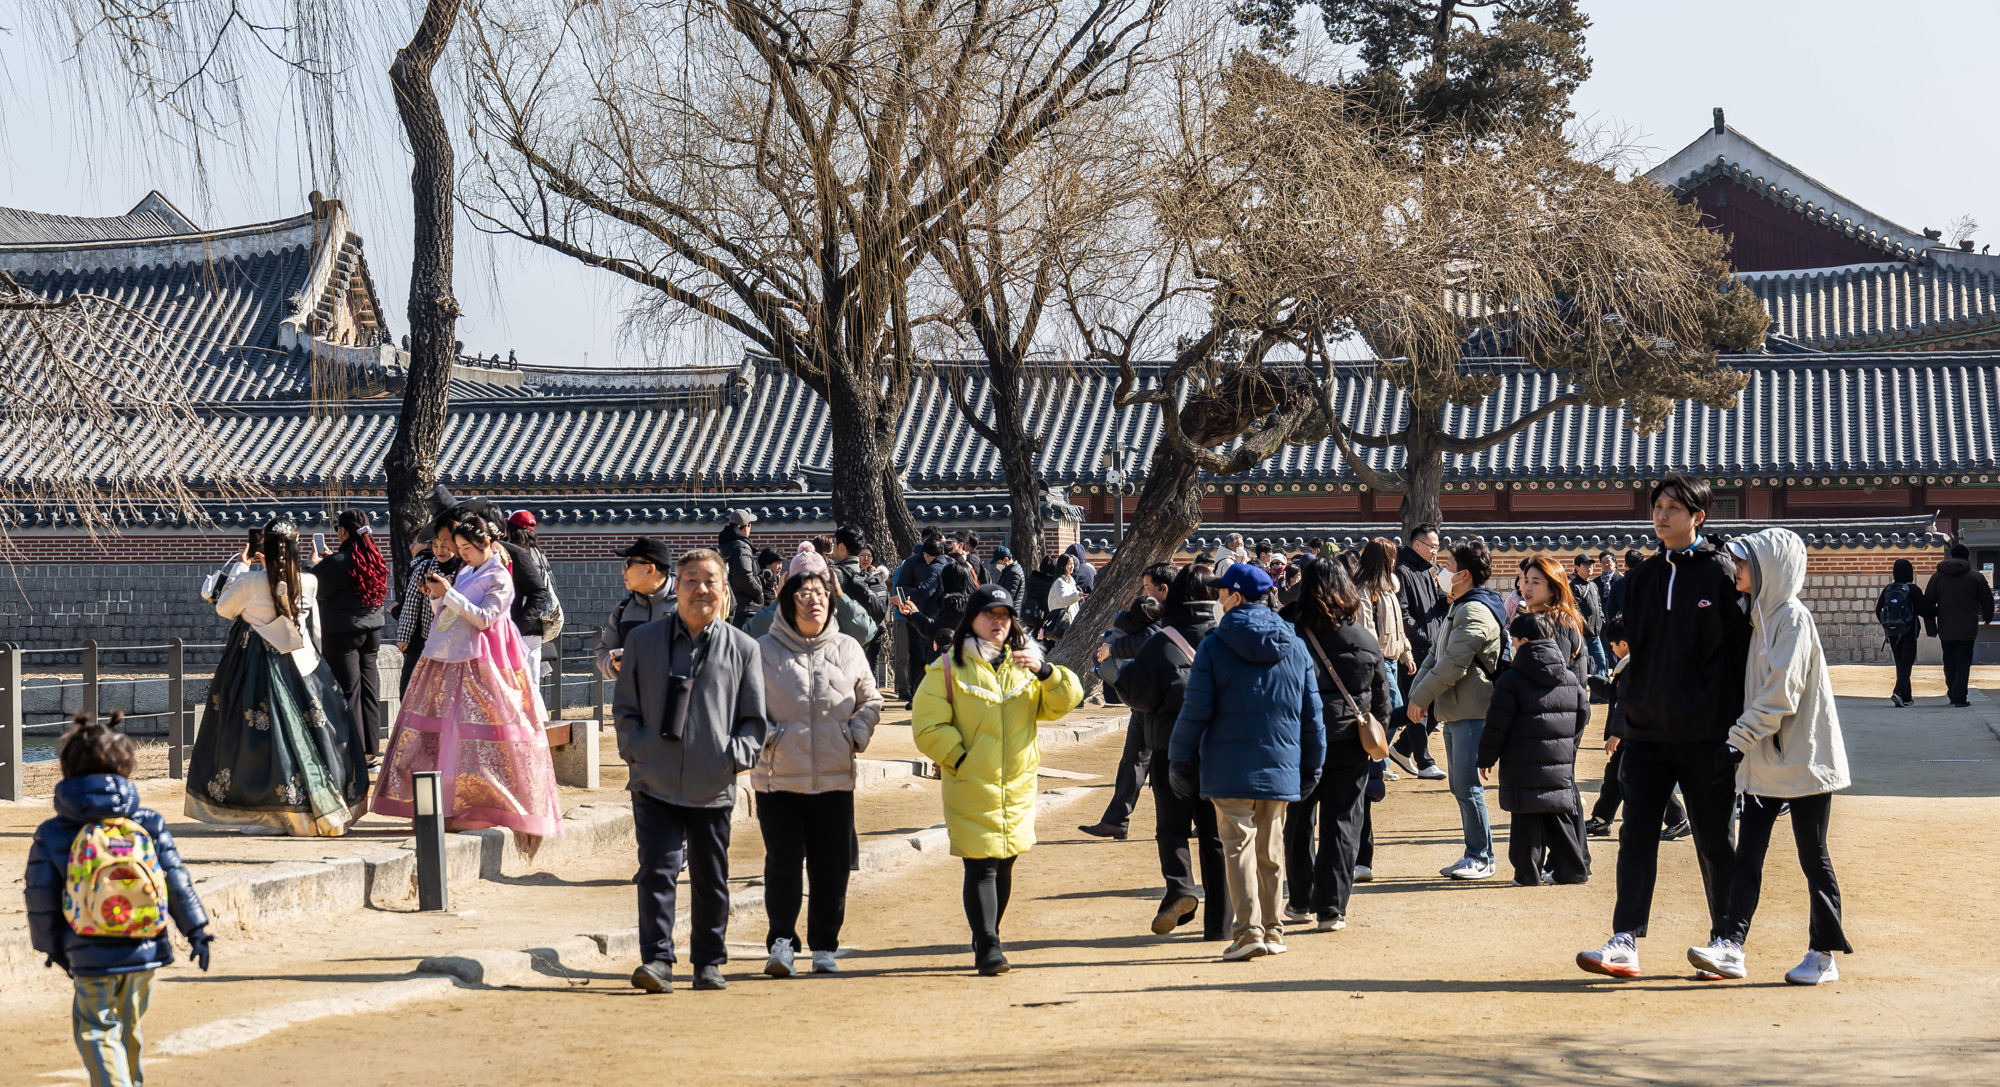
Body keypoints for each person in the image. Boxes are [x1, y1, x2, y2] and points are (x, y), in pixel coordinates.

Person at [1578, 473, 1750, 980]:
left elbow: (1737, 659)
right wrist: (1627, 718)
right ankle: (1625, 940)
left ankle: (1725, 942)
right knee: (1635, 836)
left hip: (1707, 735)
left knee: (1715, 840)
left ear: (1698, 517)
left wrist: (1734, 732)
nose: (1661, 514)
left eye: (1674, 507)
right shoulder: (1642, 579)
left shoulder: (1723, 575)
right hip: (1648, 733)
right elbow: (1632, 656)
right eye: (1657, 506)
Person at [1685, 528, 1854, 985]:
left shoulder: (1792, 618)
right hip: (1762, 760)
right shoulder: (1757, 615)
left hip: (1803, 760)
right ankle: (1730, 946)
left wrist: (1734, 741)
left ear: (1767, 570)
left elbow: (1782, 694)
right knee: (1749, 857)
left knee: (1811, 856)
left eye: (1742, 563)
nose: (1735, 569)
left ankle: (1823, 953)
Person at [25, 713, 213, 1087]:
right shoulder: (148, 822)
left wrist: (52, 948)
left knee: (96, 1028)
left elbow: (40, 897)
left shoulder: (53, 832)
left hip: (87, 949)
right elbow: (175, 880)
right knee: (129, 1027)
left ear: (66, 769)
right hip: (145, 945)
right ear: (127, 766)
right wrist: (197, 930)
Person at [614, 548, 768, 993]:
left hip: (713, 781)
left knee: (710, 877)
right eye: (691, 581)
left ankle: (708, 961)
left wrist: (731, 756)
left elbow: (754, 720)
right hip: (653, 780)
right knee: (657, 871)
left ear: (723, 590)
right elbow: (624, 709)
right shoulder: (643, 641)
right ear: (675, 587)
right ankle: (658, 960)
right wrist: (638, 752)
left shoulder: (744, 649)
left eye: (710, 581)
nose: (701, 589)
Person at [910, 585, 1084, 976]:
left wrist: (1047, 670)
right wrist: (960, 758)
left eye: (1005, 615)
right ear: (972, 618)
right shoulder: (948, 668)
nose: (998, 622)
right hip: (971, 782)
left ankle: (989, 932)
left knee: (1005, 862)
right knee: (981, 865)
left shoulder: (1026, 665)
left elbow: (1064, 702)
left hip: (1018, 784)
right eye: (990, 614)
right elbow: (927, 725)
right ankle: (988, 944)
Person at [372, 515, 564, 848]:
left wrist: (449, 594)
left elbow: (486, 618)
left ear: (487, 544)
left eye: (467, 549)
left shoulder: (500, 576)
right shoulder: (466, 570)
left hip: (483, 662)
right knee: (445, 733)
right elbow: (447, 616)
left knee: (483, 735)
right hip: (448, 657)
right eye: (458, 548)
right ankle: (446, 806)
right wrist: (436, 596)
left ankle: (487, 806)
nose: (462, 555)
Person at [1169, 562, 1326, 962]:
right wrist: (1314, 763)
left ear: (1236, 597)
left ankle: (1247, 930)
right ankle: (1273, 929)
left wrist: (1179, 758)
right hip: (1281, 760)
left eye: (1223, 592)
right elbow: (1313, 712)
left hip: (1228, 763)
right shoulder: (1296, 645)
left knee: (1237, 846)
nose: (1218, 598)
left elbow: (1195, 709)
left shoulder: (1214, 645)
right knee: (1272, 849)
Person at [189, 519, 370, 835]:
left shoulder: (249, 583)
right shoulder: (309, 581)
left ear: (263, 550)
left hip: (255, 664)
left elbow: (224, 609)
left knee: (260, 737)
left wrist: (241, 570)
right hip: (302, 663)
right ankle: (313, 805)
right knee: (313, 732)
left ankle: (272, 813)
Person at [753, 549, 883, 979]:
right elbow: (744, 707)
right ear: (788, 600)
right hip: (778, 781)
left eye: (822, 593)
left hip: (834, 778)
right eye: (805, 593)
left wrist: (855, 735)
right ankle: (782, 943)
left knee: (831, 867)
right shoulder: (763, 650)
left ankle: (825, 944)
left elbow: (871, 700)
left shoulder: (847, 649)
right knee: (783, 863)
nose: (815, 600)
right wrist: (769, 738)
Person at [1117, 564, 1230, 938]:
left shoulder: (1160, 642)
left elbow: (1134, 694)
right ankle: (1220, 925)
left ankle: (1180, 887)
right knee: (1216, 838)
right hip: (1221, 750)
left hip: (1170, 747)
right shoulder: (1226, 637)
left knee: (1171, 828)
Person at [1282, 557, 1389, 933]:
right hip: (1350, 742)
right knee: (1343, 823)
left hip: (1299, 741)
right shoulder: (1363, 638)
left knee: (1297, 823)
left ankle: (1299, 901)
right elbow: (1381, 699)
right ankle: (1331, 909)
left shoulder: (1290, 635)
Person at [1405, 536, 1506, 880]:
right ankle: (1475, 852)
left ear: (1463, 574)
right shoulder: (1460, 606)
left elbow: (1452, 664)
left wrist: (1422, 697)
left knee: (1466, 785)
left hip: (1473, 710)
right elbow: (1436, 655)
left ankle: (1480, 856)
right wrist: (1417, 693)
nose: (1443, 570)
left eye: (1448, 565)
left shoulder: (1475, 609)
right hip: (1458, 708)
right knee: (1460, 785)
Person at [1479, 612, 1592, 887]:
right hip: (1559, 759)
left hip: (1521, 761)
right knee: (1558, 814)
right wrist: (1566, 741)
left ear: (1525, 641)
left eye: (1514, 641)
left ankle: (1528, 874)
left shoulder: (1511, 680)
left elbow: (1497, 724)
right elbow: (1583, 713)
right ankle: (1572, 869)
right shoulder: (1568, 677)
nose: (1513, 645)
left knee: (1525, 817)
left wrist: (1485, 758)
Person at [1082, 562, 1176, 840]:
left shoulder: (1175, 611)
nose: (1144, 592)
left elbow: (1153, 639)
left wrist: (1113, 647)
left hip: (1167, 695)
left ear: (1163, 589)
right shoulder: (1150, 611)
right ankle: (1116, 819)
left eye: (1148, 587)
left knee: (1174, 762)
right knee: (1133, 758)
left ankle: (1202, 820)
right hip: (1146, 694)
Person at [1585, 619, 1688, 838]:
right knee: (1613, 777)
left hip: (1636, 735)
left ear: (1624, 643)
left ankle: (1677, 819)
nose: (1611, 650)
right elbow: (1615, 694)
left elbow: (1625, 702)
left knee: (1648, 778)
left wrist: (1616, 734)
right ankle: (1601, 819)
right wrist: (1591, 680)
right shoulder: (1635, 663)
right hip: (1634, 734)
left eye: (1612, 645)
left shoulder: (1635, 665)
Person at [309, 509, 389, 768]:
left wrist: (315, 564)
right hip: (373, 632)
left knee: (348, 692)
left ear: (343, 531)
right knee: (369, 691)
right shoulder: (373, 557)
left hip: (343, 633)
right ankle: (371, 753)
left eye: (337, 528)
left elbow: (313, 586)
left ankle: (353, 753)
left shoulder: (336, 562)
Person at [1393, 525, 1450, 780]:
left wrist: (1447, 600)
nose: (1435, 551)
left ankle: (1402, 748)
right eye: (1432, 546)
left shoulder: (1429, 570)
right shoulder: (1402, 571)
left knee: (1436, 706)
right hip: (1414, 651)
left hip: (1433, 648)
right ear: (1417, 545)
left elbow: (1436, 606)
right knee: (1417, 705)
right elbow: (1402, 613)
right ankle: (1424, 761)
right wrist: (1423, 636)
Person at [596, 537, 678, 680]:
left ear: (649, 569)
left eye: (628, 564)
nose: (623, 571)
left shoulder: (688, 607)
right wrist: (613, 665)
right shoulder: (622, 610)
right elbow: (603, 651)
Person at [1924, 543, 1994, 707]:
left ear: (1950, 556)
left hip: (1946, 628)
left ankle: (1952, 693)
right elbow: (1987, 600)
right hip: (1968, 628)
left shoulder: (1937, 577)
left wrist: (1931, 628)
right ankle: (1959, 696)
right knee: (1963, 661)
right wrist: (1987, 617)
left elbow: (1927, 604)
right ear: (1967, 558)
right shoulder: (1975, 577)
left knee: (1949, 661)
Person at [396, 530, 459, 696]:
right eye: (436, 546)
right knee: (411, 688)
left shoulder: (462, 569)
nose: (440, 551)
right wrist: (404, 635)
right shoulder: (424, 566)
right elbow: (411, 603)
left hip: (453, 639)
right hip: (425, 638)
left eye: (445, 547)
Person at [504, 511, 562, 665]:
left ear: (511, 530)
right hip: (536, 627)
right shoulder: (539, 554)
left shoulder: (513, 555)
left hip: (518, 624)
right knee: (532, 685)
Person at [830, 528, 890, 674]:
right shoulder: (873, 578)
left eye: (834, 543)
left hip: (838, 646)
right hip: (867, 640)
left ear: (842, 547)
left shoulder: (832, 574)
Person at [1874, 559, 1925, 707]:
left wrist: (1888, 625)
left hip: (1893, 632)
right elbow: (1923, 609)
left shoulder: (1889, 589)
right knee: (1907, 663)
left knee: (1900, 663)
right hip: (1909, 631)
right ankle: (1897, 691)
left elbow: (1879, 610)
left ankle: (1906, 697)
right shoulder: (1913, 589)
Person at [719, 508, 768, 626]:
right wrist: (759, 593)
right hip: (745, 611)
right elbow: (743, 577)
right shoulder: (741, 546)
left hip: (729, 608)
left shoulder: (723, 545)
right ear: (746, 527)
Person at [1571, 554, 1607, 677]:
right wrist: (1584, 626)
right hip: (1582, 635)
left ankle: (1598, 695)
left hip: (1595, 634)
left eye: (1591, 564)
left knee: (1601, 663)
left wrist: (1601, 620)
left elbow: (1599, 605)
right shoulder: (1574, 587)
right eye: (1585, 564)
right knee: (1582, 667)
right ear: (1577, 568)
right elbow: (1574, 610)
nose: (1589, 567)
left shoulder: (1593, 585)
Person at [1043, 551, 1086, 641]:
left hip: (1070, 620)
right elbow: (1063, 601)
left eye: (1072, 564)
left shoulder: (1071, 581)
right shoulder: (1059, 582)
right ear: (1062, 566)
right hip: (1062, 622)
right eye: (1069, 564)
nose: (1072, 567)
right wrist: (1078, 595)